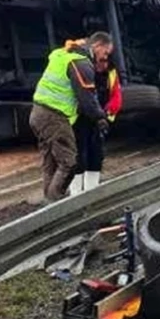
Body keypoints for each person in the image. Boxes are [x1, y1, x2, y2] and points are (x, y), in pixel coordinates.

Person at [29, 32, 112, 202]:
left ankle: (49, 205)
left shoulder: (63, 54)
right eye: (106, 53)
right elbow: (87, 101)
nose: (106, 57)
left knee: (50, 164)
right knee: (69, 162)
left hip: (37, 113)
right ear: (97, 46)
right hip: (54, 116)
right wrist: (100, 117)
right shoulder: (81, 63)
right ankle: (56, 205)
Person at [69, 53, 122, 195]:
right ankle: (75, 194)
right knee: (78, 155)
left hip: (99, 119)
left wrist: (106, 117)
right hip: (80, 118)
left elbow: (116, 98)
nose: (103, 65)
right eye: (101, 61)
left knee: (96, 155)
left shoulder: (111, 73)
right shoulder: (84, 70)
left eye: (106, 62)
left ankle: (92, 192)